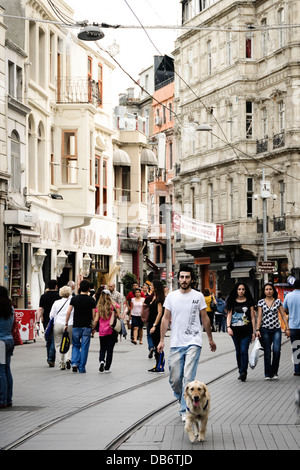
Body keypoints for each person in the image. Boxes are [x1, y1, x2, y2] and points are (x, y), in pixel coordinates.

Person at [157, 265, 216, 421]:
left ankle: (185, 410)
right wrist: (162, 340)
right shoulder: (171, 296)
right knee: (175, 379)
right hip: (176, 343)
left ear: (192, 279)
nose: (184, 280)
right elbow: (165, 318)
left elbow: (205, 318)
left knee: (188, 377)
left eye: (187, 277)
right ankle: (180, 396)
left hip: (194, 341)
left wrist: (210, 338)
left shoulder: (198, 296)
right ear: (178, 278)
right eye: (182, 277)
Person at [257, 282, 289, 380]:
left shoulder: (278, 301)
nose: (268, 291)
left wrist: (287, 328)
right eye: (266, 289)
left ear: (273, 291)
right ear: (264, 291)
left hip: (276, 329)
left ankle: (274, 372)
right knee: (267, 352)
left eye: (270, 289)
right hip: (265, 329)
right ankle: (267, 374)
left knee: (276, 350)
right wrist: (257, 330)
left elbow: (283, 315)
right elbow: (259, 317)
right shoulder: (261, 302)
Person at [226, 282, 256, 382]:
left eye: (243, 289)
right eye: (239, 289)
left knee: (244, 351)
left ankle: (243, 372)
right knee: (238, 351)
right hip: (235, 331)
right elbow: (229, 315)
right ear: (236, 290)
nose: (241, 291)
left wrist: (254, 331)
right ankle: (240, 370)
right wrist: (228, 327)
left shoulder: (249, 301)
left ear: (245, 290)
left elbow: (252, 317)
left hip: (247, 330)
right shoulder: (232, 301)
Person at [64, 280, 96, 373]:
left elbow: (68, 312)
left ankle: (74, 363)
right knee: (84, 347)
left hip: (76, 325)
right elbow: (93, 315)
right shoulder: (91, 300)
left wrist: (66, 323)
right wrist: (94, 326)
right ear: (89, 289)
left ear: (80, 287)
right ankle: (81, 368)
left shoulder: (74, 298)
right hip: (87, 326)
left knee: (75, 345)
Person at [92, 289, 120, 372]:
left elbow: (96, 319)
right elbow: (119, 316)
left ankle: (101, 361)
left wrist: (93, 327)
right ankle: (107, 368)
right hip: (112, 330)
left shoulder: (99, 307)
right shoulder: (114, 305)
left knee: (102, 348)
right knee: (110, 350)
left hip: (102, 330)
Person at [36, 279, 60, 367]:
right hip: (57, 320)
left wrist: (37, 321)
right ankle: (51, 358)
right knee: (54, 339)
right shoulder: (59, 296)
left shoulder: (43, 296)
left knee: (48, 339)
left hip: (46, 320)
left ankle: (49, 357)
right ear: (56, 286)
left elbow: (40, 309)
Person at [49, 286, 74, 370]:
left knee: (58, 344)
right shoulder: (72, 302)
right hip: (70, 324)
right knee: (70, 343)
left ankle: (61, 363)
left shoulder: (56, 302)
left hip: (58, 324)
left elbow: (51, 315)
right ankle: (68, 358)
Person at [0, 286, 14, 408]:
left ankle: (2, 400)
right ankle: (8, 398)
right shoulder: (11, 308)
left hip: (0, 342)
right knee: (7, 370)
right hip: (9, 340)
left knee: (0, 371)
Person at [283, 279, 300, 376]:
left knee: (296, 348)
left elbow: (285, 309)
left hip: (293, 326)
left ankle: (297, 370)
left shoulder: (288, 296)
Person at [148, 280, 165, 372]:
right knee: (155, 345)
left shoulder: (159, 299)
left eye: (152, 285)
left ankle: (160, 365)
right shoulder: (153, 297)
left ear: (156, 287)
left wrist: (154, 325)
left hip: (157, 325)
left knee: (158, 344)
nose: (150, 286)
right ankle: (157, 364)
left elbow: (160, 313)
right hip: (152, 323)